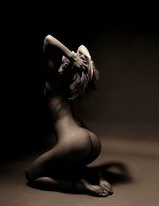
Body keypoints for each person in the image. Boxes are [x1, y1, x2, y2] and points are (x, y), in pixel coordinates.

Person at [25, 34, 112, 197]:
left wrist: (72, 56)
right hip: (91, 140)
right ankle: (99, 177)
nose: (68, 53)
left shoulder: (54, 79)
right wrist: (79, 59)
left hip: (75, 141)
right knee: (71, 164)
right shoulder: (70, 83)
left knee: (31, 175)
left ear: (67, 63)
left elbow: (48, 39)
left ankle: (79, 186)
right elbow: (80, 50)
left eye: (70, 54)